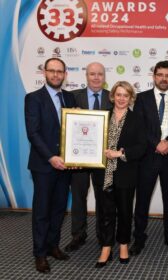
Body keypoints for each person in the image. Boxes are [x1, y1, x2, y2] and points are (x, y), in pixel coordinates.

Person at [24, 57, 76, 273]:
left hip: (66, 165)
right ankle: (40, 254)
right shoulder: (33, 98)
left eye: (60, 71)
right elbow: (33, 133)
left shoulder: (70, 97)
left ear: (65, 74)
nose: (56, 75)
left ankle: (53, 245)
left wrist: (75, 155)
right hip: (45, 165)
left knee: (59, 209)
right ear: (44, 72)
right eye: (52, 71)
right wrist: (51, 157)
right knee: (42, 211)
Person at [130, 61, 168, 255]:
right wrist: (156, 144)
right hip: (147, 158)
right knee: (142, 200)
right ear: (154, 76)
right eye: (160, 75)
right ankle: (139, 238)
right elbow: (139, 127)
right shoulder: (141, 98)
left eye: (167, 75)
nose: (163, 78)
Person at [93, 81, 147, 268]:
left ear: (131, 98)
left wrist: (120, 153)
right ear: (112, 96)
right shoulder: (102, 117)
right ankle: (106, 247)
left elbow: (142, 147)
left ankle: (123, 244)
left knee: (124, 212)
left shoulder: (137, 119)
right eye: (118, 94)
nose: (122, 98)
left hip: (126, 173)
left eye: (126, 95)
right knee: (106, 213)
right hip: (103, 173)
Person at [65, 62, 112, 252]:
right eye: (92, 74)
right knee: (78, 197)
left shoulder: (112, 97)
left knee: (104, 198)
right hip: (79, 159)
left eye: (100, 74)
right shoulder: (73, 97)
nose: (96, 77)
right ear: (86, 76)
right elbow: (65, 125)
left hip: (103, 158)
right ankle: (78, 235)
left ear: (104, 76)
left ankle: (103, 235)